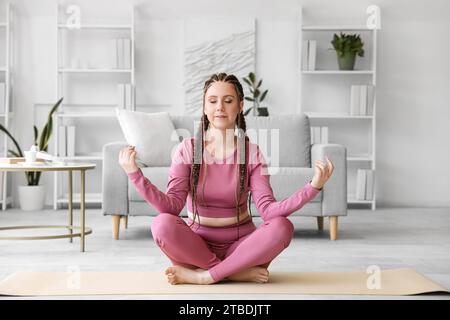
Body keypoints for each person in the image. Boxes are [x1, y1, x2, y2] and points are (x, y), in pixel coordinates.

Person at [119, 73, 334, 285]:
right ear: (204, 107)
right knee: (162, 224)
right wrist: (135, 175)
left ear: (240, 106)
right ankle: (232, 273)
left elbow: (268, 211)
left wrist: (313, 186)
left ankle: (205, 275)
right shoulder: (187, 149)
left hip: (241, 248)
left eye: (228, 101)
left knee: (282, 227)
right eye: (212, 101)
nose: (220, 107)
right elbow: (172, 206)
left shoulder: (252, 153)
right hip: (196, 249)